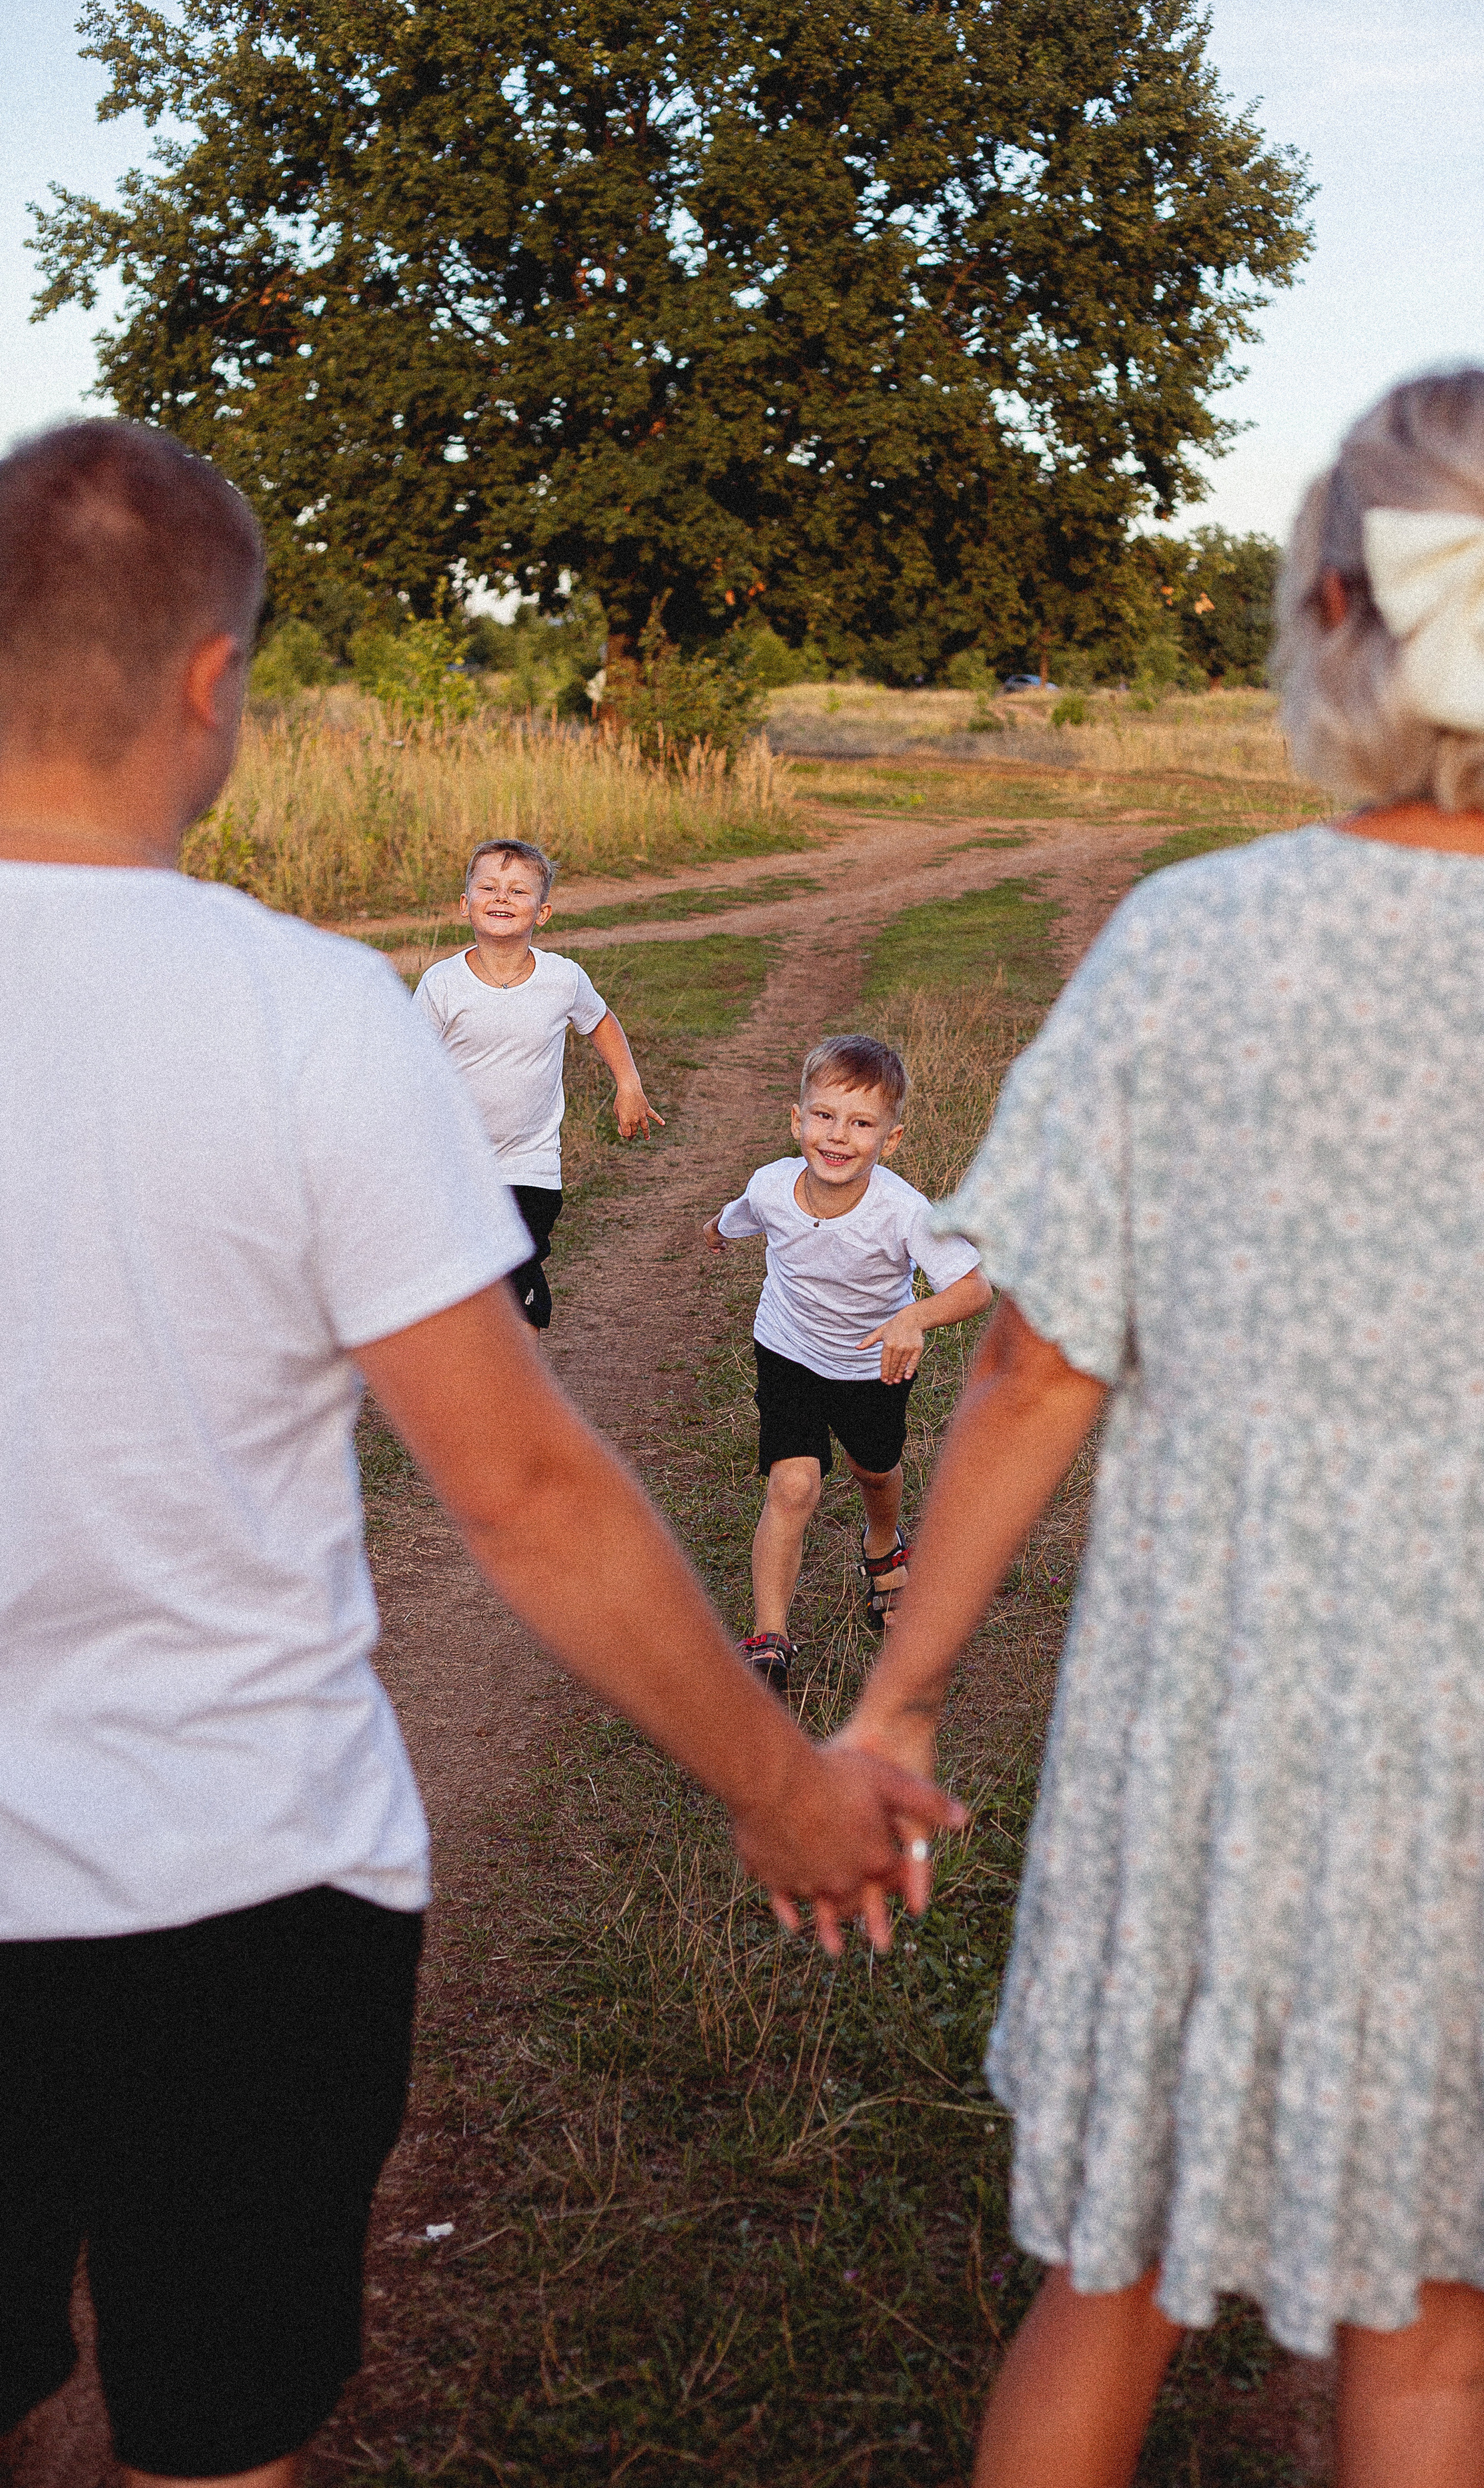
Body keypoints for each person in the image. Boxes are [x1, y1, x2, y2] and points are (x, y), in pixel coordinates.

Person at [0, 419, 960, 2488]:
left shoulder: (378, 994)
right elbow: (518, 1492)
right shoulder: (317, 1010)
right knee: (211, 2434)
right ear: (207, 685)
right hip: (240, 1889)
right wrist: (782, 1784)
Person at [837, 370, 1484, 2488]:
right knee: (1432, 2326)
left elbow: (1036, 1369)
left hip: (1211, 1733)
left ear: (1329, 613)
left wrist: (905, 1695)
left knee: (1107, 2268)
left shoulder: (1190, 946)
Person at [704, 1034, 992, 1688]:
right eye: (824, 1116)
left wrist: (913, 1317)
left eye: (861, 1124)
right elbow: (739, 1216)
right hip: (789, 1350)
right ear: (797, 1119)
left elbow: (974, 1287)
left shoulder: (903, 1211)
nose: (838, 1137)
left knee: (875, 1468)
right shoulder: (772, 1186)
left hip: (872, 1367)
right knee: (794, 1484)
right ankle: (769, 1636)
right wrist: (714, 1233)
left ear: (889, 1140)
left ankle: (881, 1541)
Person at [413, 838, 662, 1329]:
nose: (502, 897)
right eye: (488, 887)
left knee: (507, 1281)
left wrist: (628, 1084)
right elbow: (407, 1063)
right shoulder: (441, 985)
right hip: (457, 1164)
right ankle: (513, 1330)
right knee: (474, 1286)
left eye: (518, 891)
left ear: (542, 912)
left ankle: (507, 1379)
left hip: (531, 1165)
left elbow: (601, 1021)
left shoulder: (562, 979)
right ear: (466, 905)